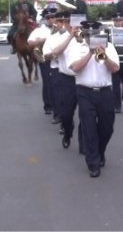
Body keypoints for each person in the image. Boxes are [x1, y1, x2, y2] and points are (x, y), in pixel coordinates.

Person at [66, 20, 120, 178]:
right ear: (84, 32)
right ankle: (93, 163)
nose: (91, 36)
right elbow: (75, 68)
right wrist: (90, 53)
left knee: (107, 128)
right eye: (88, 33)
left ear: (99, 33)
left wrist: (102, 54)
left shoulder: (108, 46)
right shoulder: (77, 47)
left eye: (94, 33)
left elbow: (115, 68)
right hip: (84, 91)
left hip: (104, 92)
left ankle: (100, 151)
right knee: (89, 129)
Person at [45, 11, 79, 149]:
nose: (73, 25)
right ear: (65, 24)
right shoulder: (57, 38)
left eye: (75, 22)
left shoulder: (86, 37)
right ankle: (67, 132)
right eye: (69, 22)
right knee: (66, 113)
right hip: (66, 79)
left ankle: (86, 144)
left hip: (84, 81)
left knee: (87, 115)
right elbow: (52, 54)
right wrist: (70, 37)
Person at [27, 7, 57, 115]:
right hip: (44, 59)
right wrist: (40, 40)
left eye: (53, 17)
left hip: (58, 60)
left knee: (58, 83)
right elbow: (30, 43)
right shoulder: (39, 30)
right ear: (45, 19)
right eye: (48, 17)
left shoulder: (60, 29)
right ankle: (48, 105)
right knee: (48, 83)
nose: (51, 19)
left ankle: (59, 104)